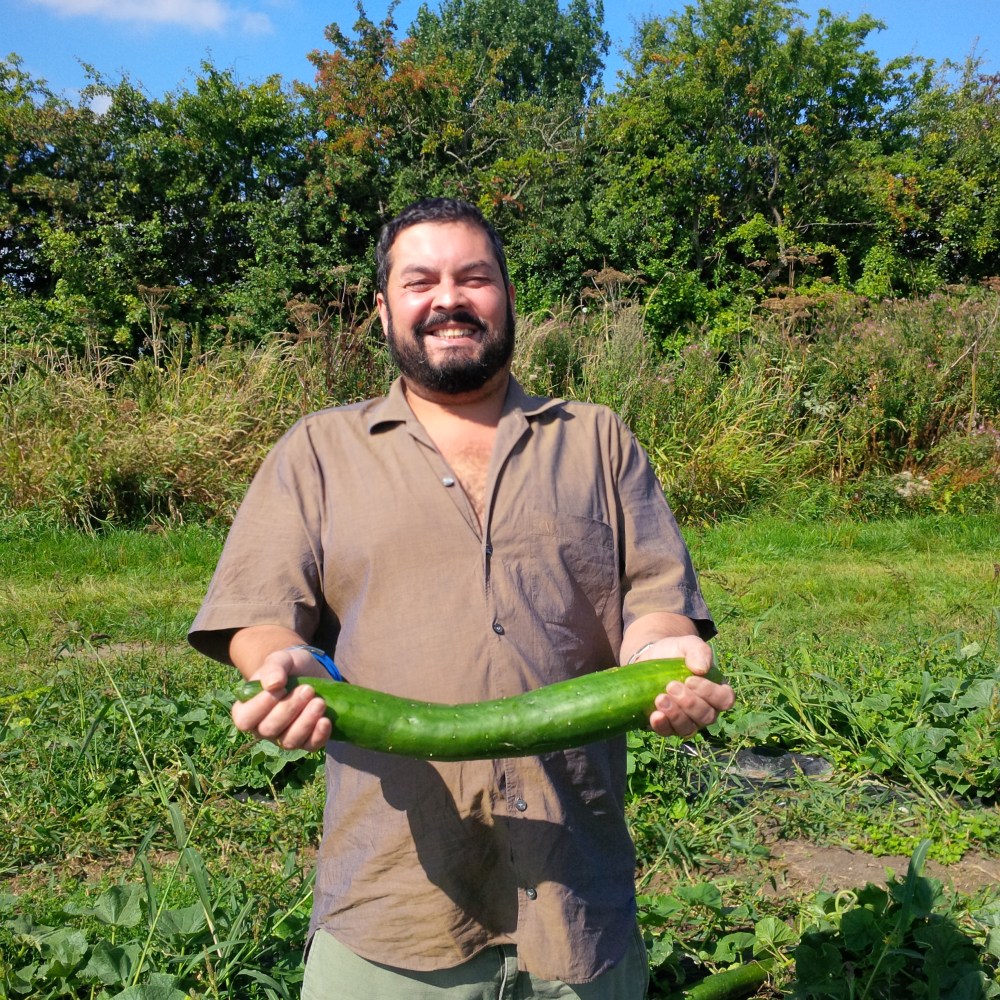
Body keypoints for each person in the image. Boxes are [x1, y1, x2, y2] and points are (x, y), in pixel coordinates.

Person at [188, 198, 735, 999]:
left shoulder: (597, 438)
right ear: (384, 310)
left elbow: (654, 602)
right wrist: (281, 665)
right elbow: (259, 614)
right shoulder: (318, 450)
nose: (449, 298)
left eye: (474, 278)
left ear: (508, 298)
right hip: (393, 906)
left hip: (577, 897)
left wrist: (662, 656)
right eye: (420, 282)